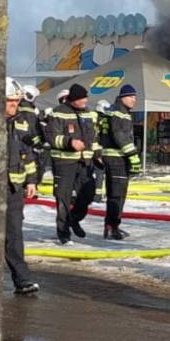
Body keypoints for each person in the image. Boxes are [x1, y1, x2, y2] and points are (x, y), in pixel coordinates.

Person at [45, 84, 99, 244]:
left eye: (86, 98)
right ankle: (63, 232)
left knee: (88, 193)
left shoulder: (88, 113)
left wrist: (97, 155)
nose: (85, 101)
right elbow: (51, 137)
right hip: (64, 162)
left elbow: (93, 137)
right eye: (82, 99)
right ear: (73, 99)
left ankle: (74, 218)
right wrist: (70, 142)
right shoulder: (58, 112)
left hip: (84, 162)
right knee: (63, 198)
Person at [4, 78, 40, 294]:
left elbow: (26, 155)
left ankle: (23, 279)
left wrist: (32, 181)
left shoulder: (20, 122)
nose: (14, 106)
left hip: (13, 189)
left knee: (14, 234)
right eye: (9, 102)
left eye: (16, 102)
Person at [99, 84, 143, 241]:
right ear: (123, 97)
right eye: (131, 97)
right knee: (117, 195)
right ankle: (113, 227)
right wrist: (133, 155)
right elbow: (120, 136)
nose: (134, 100)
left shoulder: (117, 111)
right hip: (117, 159)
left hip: (114, 158)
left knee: (114, 195)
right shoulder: (119, 113)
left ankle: (111, 226)